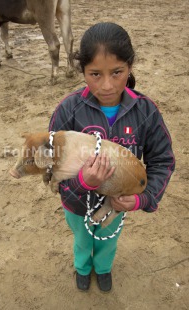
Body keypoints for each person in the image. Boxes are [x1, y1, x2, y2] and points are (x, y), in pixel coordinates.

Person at [48, 22, 175, 292]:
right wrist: (83, 181)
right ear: (82, 70)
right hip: (76, 202)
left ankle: (103, 268)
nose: (106, 85)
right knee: (82, 239)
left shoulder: (146, 111)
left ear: (129, 67)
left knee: (107, 239)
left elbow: (162, 160)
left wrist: (142, 197)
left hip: (115, 206)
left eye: (116, 72)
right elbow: (51, 167)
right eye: (95, 74)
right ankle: (82, 267)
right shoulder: (68, 110)